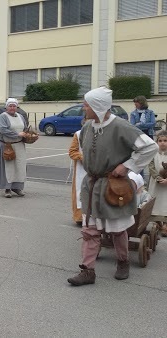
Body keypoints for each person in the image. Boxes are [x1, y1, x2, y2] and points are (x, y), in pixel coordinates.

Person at [67, 87, 157, 286]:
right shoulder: (87, 128)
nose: (84, 108)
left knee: (117, 230)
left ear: (98, 106)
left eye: (87, 104)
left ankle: (123, 262)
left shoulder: (121, 126)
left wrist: (127, 166)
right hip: (91, 186)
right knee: (89, 231)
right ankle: (88, 271)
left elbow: (150, 146)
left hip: (114, 187)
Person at [0, 98, 28, 198]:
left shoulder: (20, 116)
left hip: (19, 145)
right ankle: (7, 188)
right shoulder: (3, 116)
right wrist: (17, 134)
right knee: (9, 167)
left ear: (17, 107)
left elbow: (25, 128)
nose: (12, 108)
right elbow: (3, 129)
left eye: (14, 106)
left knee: (20, 166)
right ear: (6, 107)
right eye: (10, 106)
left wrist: (29, 135)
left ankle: (17, 187)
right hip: (8, 145)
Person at [68, 119, 89, 225]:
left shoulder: (101, 134)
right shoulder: (78, 134)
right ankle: (80, 217)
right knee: (80, 191)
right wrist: (82, 157)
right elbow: (72, 151)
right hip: (82, 169)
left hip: (98, 168)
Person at [148, 130, 167, 237]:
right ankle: (158, 222)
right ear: (157, 142)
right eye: (160, 140)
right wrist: (158, 178)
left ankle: (165, 225)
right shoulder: (153, 153)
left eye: (165, 140)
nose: (163, 143)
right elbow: (151, 167)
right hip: (156, 183)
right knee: (156, 202)